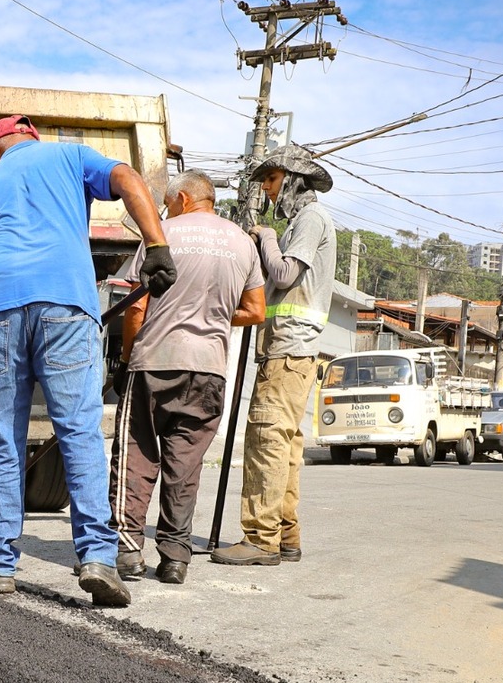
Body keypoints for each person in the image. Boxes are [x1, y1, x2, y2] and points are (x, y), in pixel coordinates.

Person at [0, 114, 174, 607]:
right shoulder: (69, 154)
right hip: (65, 304)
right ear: (32, 138)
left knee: (2, 438)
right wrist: (156, 245)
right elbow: (127, 178)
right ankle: (97, 558)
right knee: (78, 431)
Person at [109, 170, 265, 585]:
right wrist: (211, 314)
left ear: (181, 199)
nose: (164, 210)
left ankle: (127, 550)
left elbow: (136, 307)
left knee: (136, 454)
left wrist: (126, 358)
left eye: (166, 203)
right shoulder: (242, 242)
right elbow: (256, 311)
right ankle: (175, 558)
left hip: (155, 362)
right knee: (185, 466)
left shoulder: (160, 234)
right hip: (208, 368)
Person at [212, 145, 336, 567]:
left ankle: (261, 539)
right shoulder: (302, 223)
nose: (266, 188)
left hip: (288, 352)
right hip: (287, 353)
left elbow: (283, 274)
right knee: (284, 447)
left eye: (271, 179)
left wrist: (264, 237)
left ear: (293, 180)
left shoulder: (311, 218)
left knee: (266, 441)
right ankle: (284, 535)